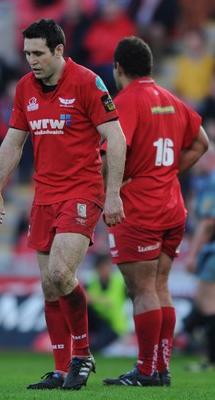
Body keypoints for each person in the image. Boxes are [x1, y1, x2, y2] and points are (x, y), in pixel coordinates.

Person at [0, 18, 126, 390]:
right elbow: (14, 142)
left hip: (82, 190)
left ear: (59, 50)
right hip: (43, 195)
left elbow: (116, 137)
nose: (31, 60)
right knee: (49, 286)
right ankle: (62, 367)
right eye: (27, 53)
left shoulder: (86, 82)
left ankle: (83, 355)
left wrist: (113, 193)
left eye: (38, 53)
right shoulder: (24, 88)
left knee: (62, 273)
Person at [101, 36, 209, 387]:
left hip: (140, 209)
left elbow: (109, 153)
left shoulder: (126, 102)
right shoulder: (170, 99)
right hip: (172, 207)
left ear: (119, 68)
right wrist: (169, 172)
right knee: (160, 287)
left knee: (143, 289)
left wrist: (110, 189)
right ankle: (160, 367)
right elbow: (201, 142)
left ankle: (147, 369)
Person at [182, 144, 215, 372]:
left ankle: (212, 360)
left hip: (212, 252)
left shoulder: (212, 181)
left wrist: (192, 254)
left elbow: (207, 223)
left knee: (207, 305)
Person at [86, 253, 128, 352]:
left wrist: (94, 298)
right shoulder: (92, 282)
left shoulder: (120, 283)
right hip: (99, 320)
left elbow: (109, 303)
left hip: (113, 325)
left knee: (96, 347)